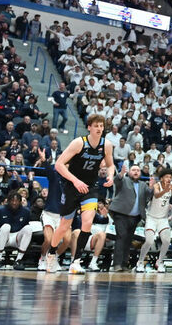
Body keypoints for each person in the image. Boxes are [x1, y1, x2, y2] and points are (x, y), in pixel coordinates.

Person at [45, 114, 115, 274]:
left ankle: (76, 262)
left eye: (101, 126)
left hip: (90, 188)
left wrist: (110, 175)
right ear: (89, 127)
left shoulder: (107, 145)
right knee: (64, 226)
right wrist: (76, 181)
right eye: (96, 126)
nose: (99, 129)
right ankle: (51, 254)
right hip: (72, 186)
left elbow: (110, 165)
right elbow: (59, 165)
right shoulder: (78, 143)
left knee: (87, 223)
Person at [108, 164, 153, 272]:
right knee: (121, 237)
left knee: (128, 241)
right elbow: (117, 181)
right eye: (133, 170)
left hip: (135, 217)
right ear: (129, 172)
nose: (136, 172)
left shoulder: (143, 185)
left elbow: (149, 196)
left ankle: (124, 264)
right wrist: (121, 173)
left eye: (138, 170)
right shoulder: (124, 180)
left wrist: (151, 187)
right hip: (121, 215)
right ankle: (117, 264)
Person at [136, 167, 172, 273]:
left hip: (163, 219)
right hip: (152, 218)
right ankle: (140, 262)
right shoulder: (156, 186)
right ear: (162, 178)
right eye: (167, 177)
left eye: (170, 177)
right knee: (149, 241)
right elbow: (157, 195)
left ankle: (160, 261)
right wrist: (165, 191)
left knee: (167, 241)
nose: (169, 179)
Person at [0, 190, 33, 270]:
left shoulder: (26, 211)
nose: (14, 203)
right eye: (12, 201)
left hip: (16, 237)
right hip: (2, 236)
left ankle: (18, 260)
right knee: (6, 226)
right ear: (8, 201)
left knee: (28, 228)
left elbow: (26, 227)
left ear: (20, 202)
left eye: (16, 201)